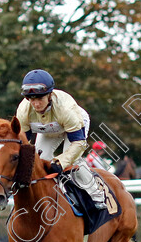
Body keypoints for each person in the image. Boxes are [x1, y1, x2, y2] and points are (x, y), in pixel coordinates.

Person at [15, 69, 106, 209]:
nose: (36, 104)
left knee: (72, 160)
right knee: (40, 160)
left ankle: (96, 193)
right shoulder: (23, 111)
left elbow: (79, 143)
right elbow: (23, 145)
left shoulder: (66, 108)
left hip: (74, 125)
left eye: (40, 98)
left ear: (50, 95)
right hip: (48, 127)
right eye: (32, 99)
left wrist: (61, 162)